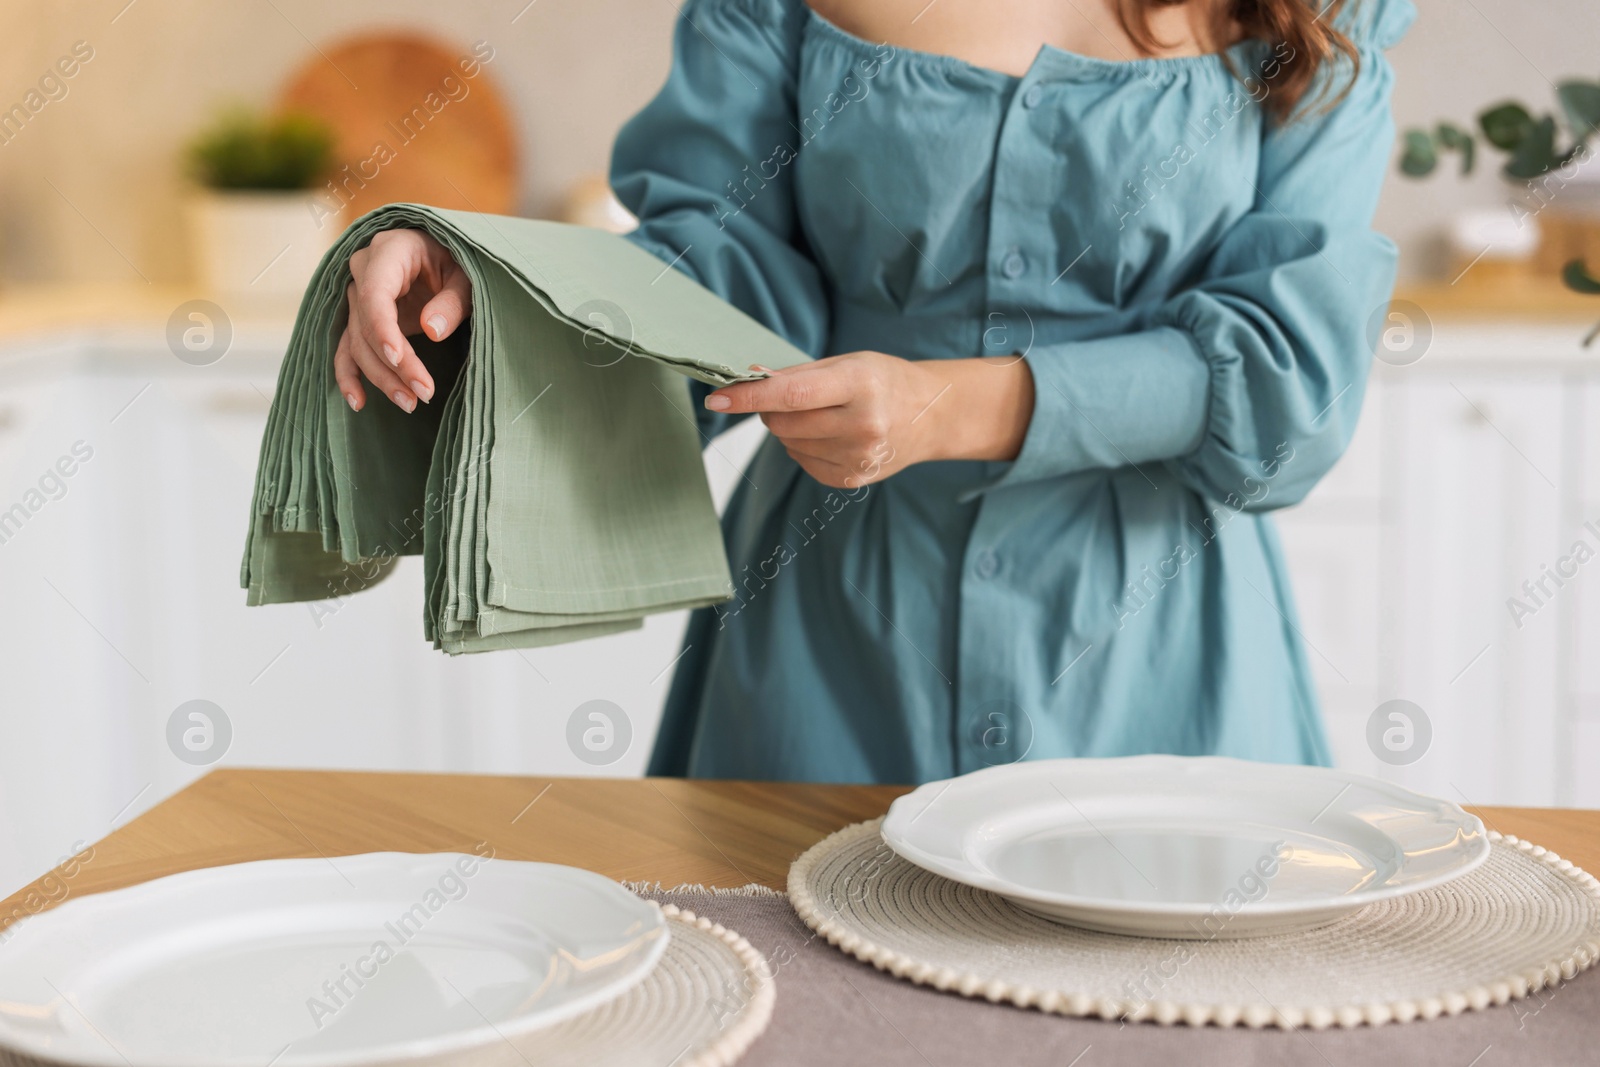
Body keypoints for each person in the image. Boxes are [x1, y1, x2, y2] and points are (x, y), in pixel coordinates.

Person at [332, 0, 1415, 784]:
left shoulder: (1324, 13)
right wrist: (496, 290)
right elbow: (719, 283)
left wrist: (950, 406)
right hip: (832, 644)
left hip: (1166, 660)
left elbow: (1292, 386)